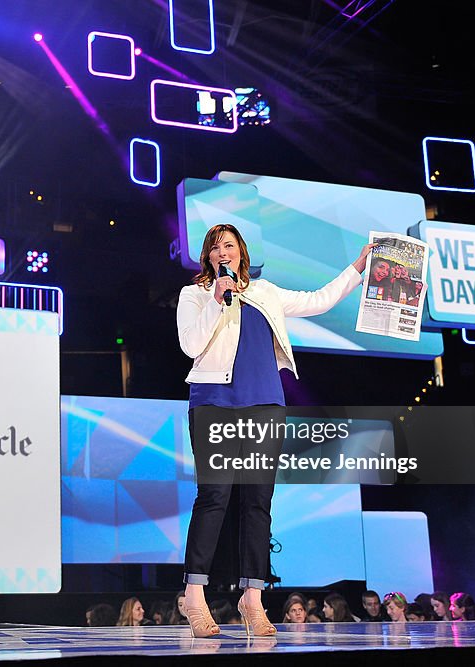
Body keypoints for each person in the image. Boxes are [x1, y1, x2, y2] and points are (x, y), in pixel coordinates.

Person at [177, 223, 376, 638]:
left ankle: (253, 597)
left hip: (265, 406)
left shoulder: (265, 292)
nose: (222, 252)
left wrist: (358, 267)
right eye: (214, 248)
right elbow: (192, 346)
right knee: (214, 496)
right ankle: (194, 595)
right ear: (208, 258)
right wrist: (217, 299)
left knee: (258, 502)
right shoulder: (194, 295)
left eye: (228, 245)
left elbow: (319, 300)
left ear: (241, 252)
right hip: (214, 404)